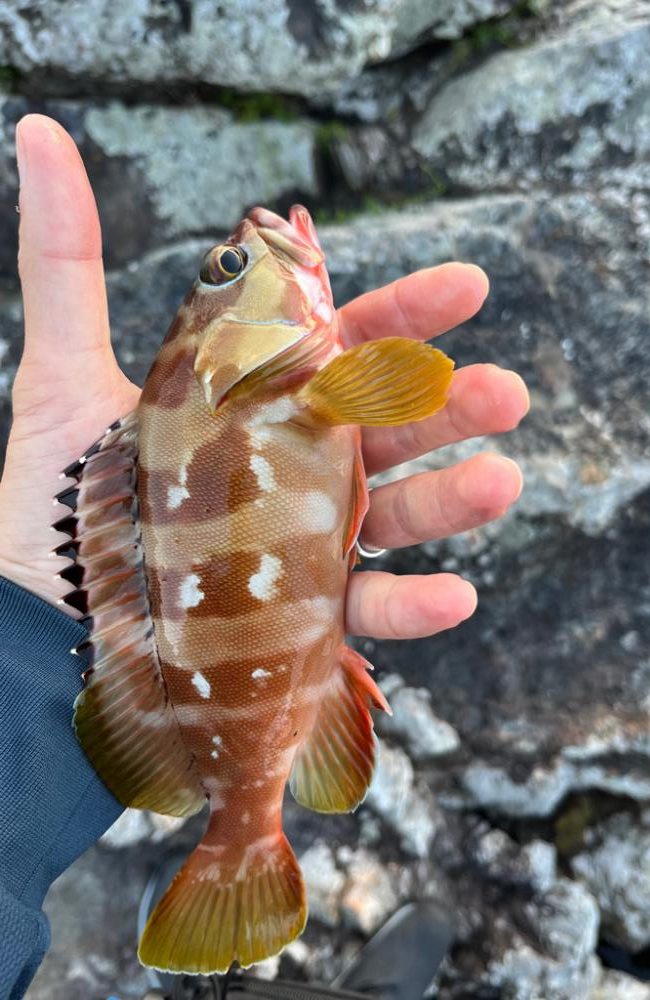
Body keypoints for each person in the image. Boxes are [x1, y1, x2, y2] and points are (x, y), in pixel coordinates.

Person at [0, 115, 529, 1000]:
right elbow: (417, 381)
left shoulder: (259, 389)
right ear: (218, 345)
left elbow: (410, 384)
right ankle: (248, 860)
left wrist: (31, 650)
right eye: (230, 268)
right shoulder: (301, 386)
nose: (253, 241)